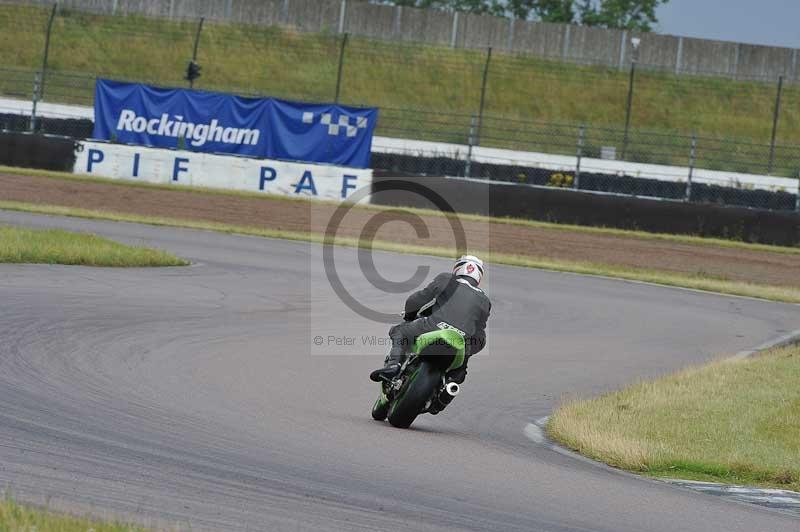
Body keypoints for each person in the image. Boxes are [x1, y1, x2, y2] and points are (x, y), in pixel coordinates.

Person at [369, 255, 491, 384]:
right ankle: (455, 377)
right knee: (458, 373)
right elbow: (480, 337)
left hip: (433, 327)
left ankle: (393, 366)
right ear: (479, 276)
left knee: (399, 331)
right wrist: (466, 356)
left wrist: (409, 317)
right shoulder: (485, 301)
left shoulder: (446, 278)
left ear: (458, 268)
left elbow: (416, 300)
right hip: (459, 342)